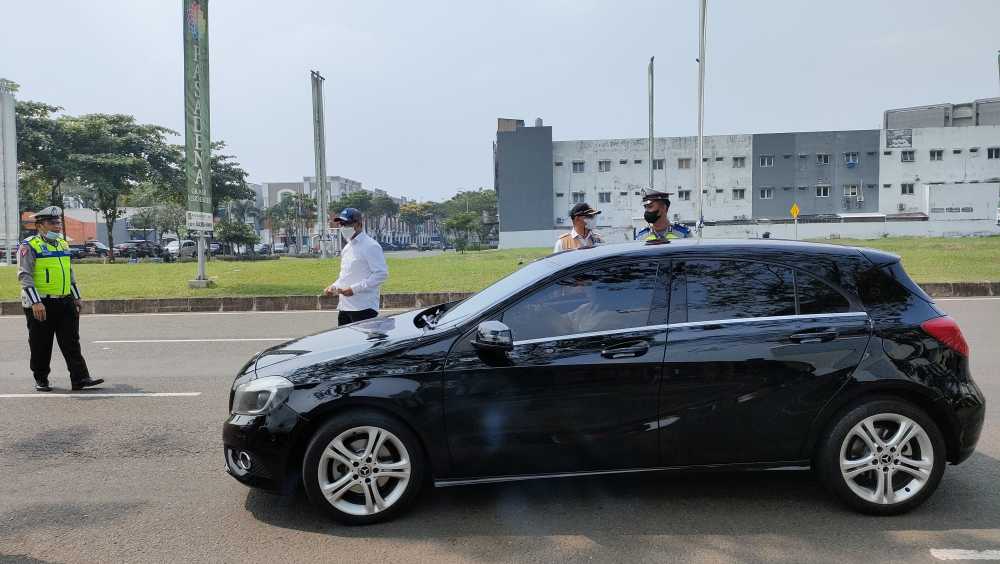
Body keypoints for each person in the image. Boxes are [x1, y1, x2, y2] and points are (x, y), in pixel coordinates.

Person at [18, 206, 104, 392]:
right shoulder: (29, 245)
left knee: (71, 341)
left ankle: (80, 379)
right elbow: (25, 275)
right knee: (41, 343)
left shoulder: (62, 244)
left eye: (58, 222)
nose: (57, 226)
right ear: (40, 225)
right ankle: (41, 379)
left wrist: (76, 296)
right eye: (52, 223)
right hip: (41, 303)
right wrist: (36, 302)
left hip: (65, 301)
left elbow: (68, 273)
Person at [324, 207, 389, 326]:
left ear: (359, 224)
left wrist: (355, 289)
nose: (343, 227)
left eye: (347, 223)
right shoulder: (348, 247)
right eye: (341, 224)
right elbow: (345, 275)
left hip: (363, 307)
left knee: (365, 343)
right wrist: (334, 287)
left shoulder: (370, 246)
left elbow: (381, 274)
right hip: (345, 307)